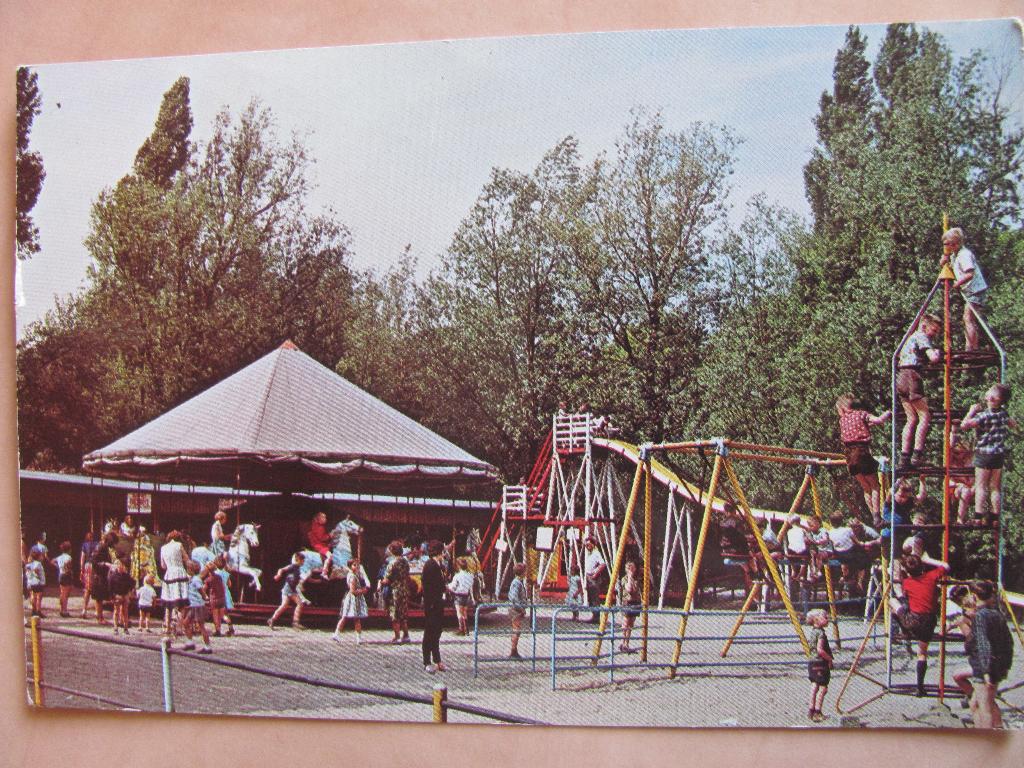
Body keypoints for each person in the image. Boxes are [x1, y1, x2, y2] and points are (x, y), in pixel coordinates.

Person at [954, 581, 1013, 728]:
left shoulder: (980, 616)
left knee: (984, 708)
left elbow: (983, 644)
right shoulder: (997, 613)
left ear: (974, 596)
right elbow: (1008, 642)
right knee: (974, 704)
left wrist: (987, 671)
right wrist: (1004, 666)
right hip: (997, 664)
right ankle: (996, 731)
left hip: (984, 667)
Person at [889, 552, 949, 696]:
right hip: (929, 620)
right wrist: (929, 560)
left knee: (892, 602)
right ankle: (920, 687)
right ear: (922, 565)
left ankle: (903, 631)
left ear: (907, 571)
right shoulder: (931, 577)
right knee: (922, 653)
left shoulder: (907, 583)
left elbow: (905, 597)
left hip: (913, 619)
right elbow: (946, 566)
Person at [960, 383, 1017, 524]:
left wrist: (971, 411)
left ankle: (978, 517)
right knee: (995, 487)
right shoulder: (1004, 414)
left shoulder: (983, 416)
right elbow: (1013, 424)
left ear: (991, 398)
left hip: (983, 454)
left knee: (981, 486)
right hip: (998, 454)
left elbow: (964, 426)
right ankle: (995, 517)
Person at [896, 313, 943, 469]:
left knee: (911, 419)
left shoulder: (908, 339)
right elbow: (933, 358)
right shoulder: (921, 336)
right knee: (925, 416)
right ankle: (917, 454)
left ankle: (904, 457)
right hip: (912, 376)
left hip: (901, 377)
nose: (934, 335)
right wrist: (936, 353)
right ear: (924, 326)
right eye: (934, 330)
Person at [836, 394, 891, 523]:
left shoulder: (842, 420)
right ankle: (878, 515)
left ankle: (873, 516)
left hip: (849, 456)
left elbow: (858, 427)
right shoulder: (862, 414)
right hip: (861, 452)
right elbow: (878, 420)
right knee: (875, 486)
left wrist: (868, 425)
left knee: (866, 488)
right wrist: (887, 413)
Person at [940, 227, 987, 352]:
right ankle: (972, 346)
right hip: (970, 291)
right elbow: (945, 265)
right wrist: (944, 258)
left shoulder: (965, 255)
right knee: (968, 319)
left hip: (975, 290)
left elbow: (969, 274)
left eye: (946, 244)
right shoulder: (955, 254)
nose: (944, 247)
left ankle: (971, 348)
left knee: (968, 318)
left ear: (954, 244)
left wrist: (956, 284)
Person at [421, 540, 447, 673]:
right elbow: (428, 587)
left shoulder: (439, 565)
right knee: (430, 632)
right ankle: (427, 661)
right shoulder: (430, 565)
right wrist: (430, 604)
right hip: (432, 604)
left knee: (437, 632)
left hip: (438, 602)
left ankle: (438, 660)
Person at [880, 478, 927, 552]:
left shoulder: (908, 504)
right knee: (897, 560)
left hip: (903, 539)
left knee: (916, 540)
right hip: (889, 540)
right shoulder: (890, 503)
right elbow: (890, 492)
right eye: (900, 496)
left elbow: (921, 496)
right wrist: (898, 482)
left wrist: (922, 480)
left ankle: (915, 559)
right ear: (895, 494)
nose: (902, 499)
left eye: (905, 497)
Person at [805, 609, 834, 722]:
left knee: (814, 685)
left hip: (812, 662)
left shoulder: (813, 632)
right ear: (817, 619)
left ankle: (811, 709)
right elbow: (820, 650)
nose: (828, 620)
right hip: (820, 662)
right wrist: (829, 659)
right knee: (823, 688)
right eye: (825, 617)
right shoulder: (821, 633)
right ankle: (818, 711)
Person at [159, 531, 190, 636]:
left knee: (168, 602)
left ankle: (167, 626)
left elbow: (163, 565)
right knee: (181, 603)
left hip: (169, 574)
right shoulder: (179, 545)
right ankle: (179, 627)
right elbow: (186, 560)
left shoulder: (163, 548)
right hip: (180, 573)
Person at [333, 557, 369, 644]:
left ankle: (339, 634)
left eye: (357, 565)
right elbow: (353, 591)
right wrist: (363, 591)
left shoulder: (355, 575)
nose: (357, 567)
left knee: (352, 618)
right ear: (350, 566)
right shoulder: (352, 577)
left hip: (355, 599)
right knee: (350, 617)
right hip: (353, 599)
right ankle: (338, 634)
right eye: (354, 565)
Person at [381, 542, 411, 643]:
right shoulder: (405, 562)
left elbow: (387, 579)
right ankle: (406, 635)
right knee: (402, 614)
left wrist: (381, 582)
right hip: (404, 589)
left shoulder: (392, 563)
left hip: (394, 590)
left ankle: (397, 636)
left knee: (394, 614)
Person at [268, 553, 306, 630]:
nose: (303, 562)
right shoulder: (293, 566)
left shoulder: (297, 568)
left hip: (288, 588)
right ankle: (295, 622)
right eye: (302, 561)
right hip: (289, 589)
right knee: (300, 604)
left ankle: (272, 619)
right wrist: (278, 575)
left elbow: (295, 579)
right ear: (298, 560)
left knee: (284, 605)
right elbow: (281, 569)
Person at [183, 561, 213, 653]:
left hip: (198, 606)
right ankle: (190, 642)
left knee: (201, 627)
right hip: (193, 605)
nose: (187, 570)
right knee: (185, 623)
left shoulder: (196, 579)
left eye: (188, 569)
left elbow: (201, 589)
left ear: (191, 570)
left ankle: (208, 647)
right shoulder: (193, 578)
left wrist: (205, 597)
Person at [948, 428, 976, 524]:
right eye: (956, 453)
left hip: (971, 487)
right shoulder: (951, 461)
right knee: (965, 491)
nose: (957, 456)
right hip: (956, 489)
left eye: (960, 453)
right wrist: (953, 432)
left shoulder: (969, 459)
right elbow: (949, 448)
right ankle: (960, 519)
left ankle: (979, 518)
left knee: (982, 488)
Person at [618, 560, 642, 653]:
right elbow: (629, 589)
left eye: (632, 568)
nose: (631, 570)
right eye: (629, 568)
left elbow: (636, 590)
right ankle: (622, 642)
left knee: (631, 624)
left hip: (635, 603)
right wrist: (630, 576)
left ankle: (626, 644)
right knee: (625, 623)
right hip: (627, 602)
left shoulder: (637, 579)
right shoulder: (624, 579)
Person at [447, 557, 474, 636]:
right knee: (465, 613)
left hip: (458, 595)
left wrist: (447, 586)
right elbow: (470, 585)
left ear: (458, 566)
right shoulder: (470, 575)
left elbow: (453, 586)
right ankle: (467, 630)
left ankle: (461, 629)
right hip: (466, 595)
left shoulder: (457, 576)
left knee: (459, 613)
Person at [108, 557, 135, 635]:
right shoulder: (113, 576)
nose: (121, 567)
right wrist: (112, 597)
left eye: (122, 566)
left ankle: (125, 627)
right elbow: (110, 587)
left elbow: (132, 583)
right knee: (116, 611)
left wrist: (129, 593)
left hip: (124, 595)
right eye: (119, 565)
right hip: (117, 595)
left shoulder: (126, 576)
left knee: (125, 612)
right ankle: (115, 627)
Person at [507, 563, 529, 660]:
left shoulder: (519, 582)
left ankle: (514, 650)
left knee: (517, 630)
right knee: (516, 630)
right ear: (523, 572)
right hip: (515, 610)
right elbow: (514, 598)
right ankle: (513, 651)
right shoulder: (516, 583)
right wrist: (521, 609)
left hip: (517, 609)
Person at [584, 537, 607, 623]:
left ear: (593, 544)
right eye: (586, 545)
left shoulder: (596, 553)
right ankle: (594, 616)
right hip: (588, 577)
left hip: (593, 578)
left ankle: (597, 617)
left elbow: (602, 564)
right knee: (590, 598)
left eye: (589, 544)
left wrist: (595, 574)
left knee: (594, 598)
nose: (587, 546)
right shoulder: (589, 554)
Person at [202, 560, 228, 637]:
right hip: (221, 598)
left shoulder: (208, 579)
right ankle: (224, 626)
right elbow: (223, 587)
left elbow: (204, 589)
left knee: (215, 616)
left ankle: (217, 630)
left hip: (214, 599)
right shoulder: (219, 577)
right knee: (221, 615)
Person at [213, 555, 235, 637]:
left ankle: (219, 629)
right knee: (225, 613)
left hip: (218, 594)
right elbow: (229, 584)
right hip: (226, 594)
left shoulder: (215, 573)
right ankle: (229, 627)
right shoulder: (226, 574)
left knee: (219, 614)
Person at [51, 541, 74, 617]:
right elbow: (69, 566)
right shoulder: (69, 557)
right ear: (69, 549)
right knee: (66, 594)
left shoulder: (59, 557)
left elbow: (52, 561)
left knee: (62, 593)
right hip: (67, 575)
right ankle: (64, 610)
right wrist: (67, 569)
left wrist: (58, 567)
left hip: (61, 574)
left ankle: (61, 609)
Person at [79, 532, 97, 618]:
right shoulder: (97, 544)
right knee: (96, 588)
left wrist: (81, 570)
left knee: (87, 589)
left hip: (88, 565)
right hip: (95, 566)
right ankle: (97, 611)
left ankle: (84, 610)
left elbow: (82, 558)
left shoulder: (85, 545)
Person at [24, 549, 46, 618]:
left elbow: (27, 572)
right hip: (38, 583)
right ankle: (38, 610)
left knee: (33, 596)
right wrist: (38, 577)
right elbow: (36, 571)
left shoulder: (28, 565)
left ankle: (33, 610)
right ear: (38, 557)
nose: (42, 557)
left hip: (30, 582)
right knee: (39, 597)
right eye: (41, 556)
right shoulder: (38, 563)